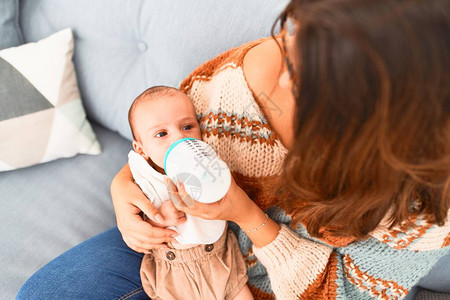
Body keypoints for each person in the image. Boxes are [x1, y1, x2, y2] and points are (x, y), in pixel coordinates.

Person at [18, 0, 450, 299]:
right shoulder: (243, 75)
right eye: (295, 37)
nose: (281, 74)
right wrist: (124, 182)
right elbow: (168, 137)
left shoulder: (422, 205)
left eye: (302, 80)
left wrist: (246, 215)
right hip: (176, 247)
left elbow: (346, 294)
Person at [127, 85, 252, 300]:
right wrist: (159, 219)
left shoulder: (207, 163)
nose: (178, 138)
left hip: (220, 259)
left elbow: (228, 195)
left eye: (187, 127)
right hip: (174, 273)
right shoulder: (143, 178)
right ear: (141, 150)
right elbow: (140, 230)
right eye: (161, 133)